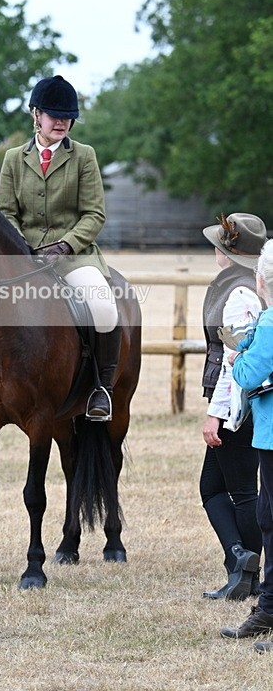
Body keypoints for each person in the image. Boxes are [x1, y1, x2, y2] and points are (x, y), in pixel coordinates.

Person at [0, 75, 120, 421]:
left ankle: (101, 388)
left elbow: (94, 213)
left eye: (67, 116)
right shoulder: (14, 158)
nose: (61, 122)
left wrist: (64, 246)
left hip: (73, 256)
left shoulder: (84, 156)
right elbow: (5, 212)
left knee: (103, 307)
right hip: (19, 257)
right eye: (53, 115)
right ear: (36, 114)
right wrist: (20, 247)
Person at [199, 213, 266, 601]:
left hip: (237, 405)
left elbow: (234, 361)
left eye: (220, 244)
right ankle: (241, 565)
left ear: (229, 250)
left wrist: (217, 414)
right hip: (235, 403)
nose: (214, 249)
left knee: (240, 491)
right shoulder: (239, 285)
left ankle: (250, 574)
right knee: (213, 487)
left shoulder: (239, 293)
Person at [220, 238, 273, 652]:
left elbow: (247, 373)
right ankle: (269, 606)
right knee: (267, 515)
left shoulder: (269, 323)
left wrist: (239, 352)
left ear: (261, 280)